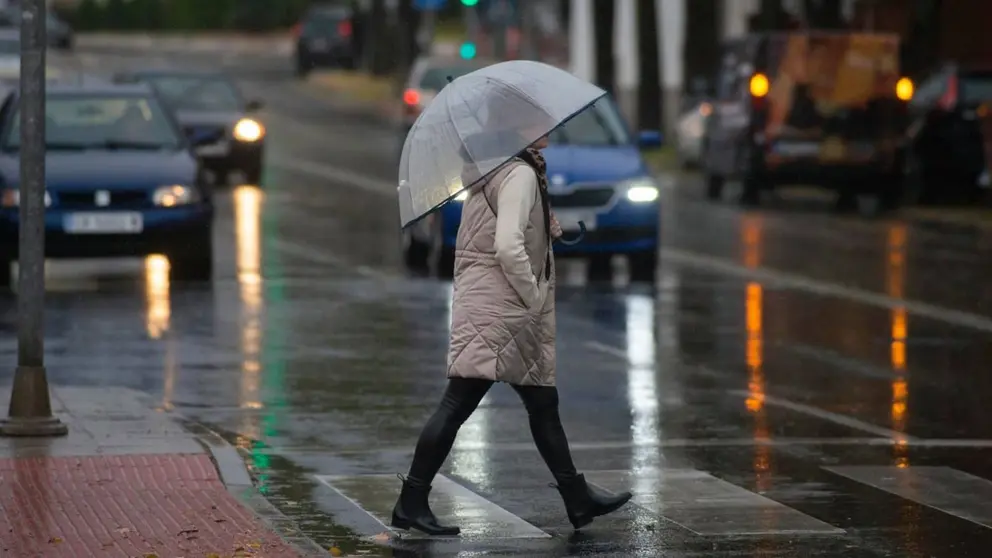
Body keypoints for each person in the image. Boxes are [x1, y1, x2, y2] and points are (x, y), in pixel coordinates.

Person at [391, 100, 633, 536]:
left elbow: (501, 221)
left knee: (543, 404)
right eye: (538, 121)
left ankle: (577, 498)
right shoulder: (519, 172)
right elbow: (506, 245)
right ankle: (411, 500)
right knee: (457, 404)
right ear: (515, 128)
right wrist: (534, 292)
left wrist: (553, 229)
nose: (549, 126)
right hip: (502, 309)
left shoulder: (500, 167)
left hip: (490, 302)